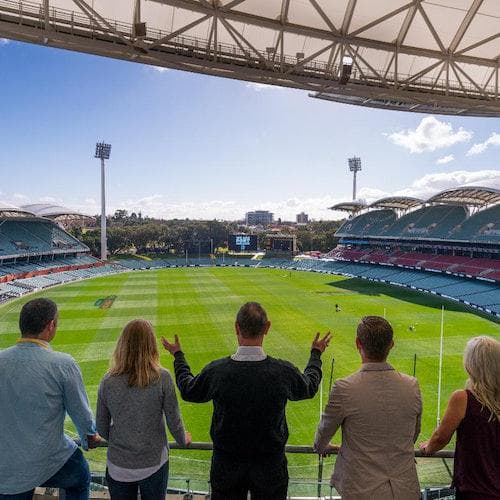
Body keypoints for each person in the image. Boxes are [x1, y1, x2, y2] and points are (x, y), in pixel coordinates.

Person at [162, 301, 331, 500]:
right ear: (267, 327)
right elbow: (309, 386)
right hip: (270, 466)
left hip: (227, 464)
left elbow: (189, 390)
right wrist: (316, 354)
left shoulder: (218, 371)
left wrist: (178, 356)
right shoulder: (282, 372)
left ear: (236, 327)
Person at [314, 316, 422, 500]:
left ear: (358, 343)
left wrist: (322, 447)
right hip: (405, 489)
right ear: (392, 344)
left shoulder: (344, 388)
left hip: (361, 489)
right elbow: (414, 434)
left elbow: (323, 435)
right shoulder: (411, 385)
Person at [0, 298, 99, 499]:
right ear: (50, 325)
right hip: (47, 460)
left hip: (6, 466)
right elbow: (83, 417)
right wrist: (89, 438)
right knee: (81, 476)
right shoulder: (63, 364)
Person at [96, 319, 190, 500]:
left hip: (118, 466)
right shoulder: (162, 377)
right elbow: (174, 421)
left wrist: (122, 441)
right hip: (154, 464)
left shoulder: (107, 381)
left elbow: (101, 428)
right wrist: (182, 439)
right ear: (151, 345)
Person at [420, 336, 500, 500]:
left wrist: (428, 448)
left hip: (475, 490)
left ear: (471, 364)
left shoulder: (463, 398)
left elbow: (440, 437)